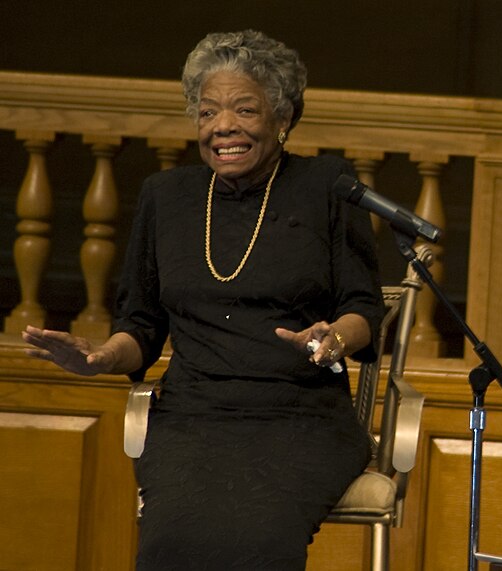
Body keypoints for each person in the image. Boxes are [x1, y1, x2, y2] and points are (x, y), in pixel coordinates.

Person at [22, 30, 384, 571]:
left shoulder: (326, 185)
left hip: (300, 417)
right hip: (194, 418)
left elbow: (364, 307)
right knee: (172, 546)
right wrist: (100, 358)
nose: (222, 127)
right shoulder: (166, 197)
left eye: (244, 109)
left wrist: (333, 339)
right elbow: (140, 328)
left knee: (260, 543)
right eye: (207, 111)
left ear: (283, 119)